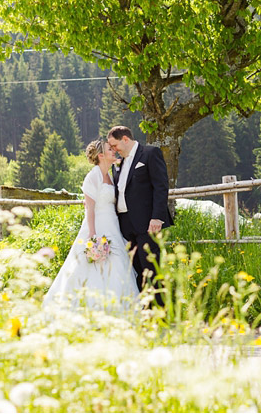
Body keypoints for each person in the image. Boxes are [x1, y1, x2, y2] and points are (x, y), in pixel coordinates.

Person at [42, 139, 139, 312]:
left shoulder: (110, 175)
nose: (114, 151)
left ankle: (119, 308)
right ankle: (90, 309)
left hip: (113, 227)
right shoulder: (93, 175)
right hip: (97, 226)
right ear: (101, 155)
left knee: (117, 264)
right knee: (92, 267)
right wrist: (93, 235)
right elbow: (90, 208)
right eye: (110, 149)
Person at [107, 126, 173, 306]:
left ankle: (160, 313)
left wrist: (157, 217)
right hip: (125, 225)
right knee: (135, 269)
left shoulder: (150, 154)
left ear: (125, 139)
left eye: (114, 145)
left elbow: (161, 186)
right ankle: (145, 309)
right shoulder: (118, 164)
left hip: (147, 222)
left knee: (151, 267)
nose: (113, 150)